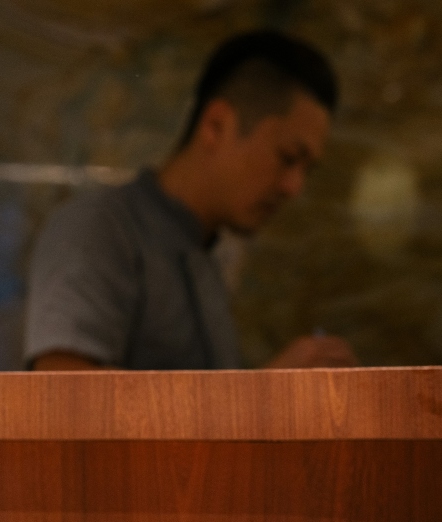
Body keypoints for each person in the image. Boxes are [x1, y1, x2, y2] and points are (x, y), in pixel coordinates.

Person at [24, 30, 358, 371]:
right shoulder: (99, 228)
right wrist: (266, 391)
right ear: (216, 125)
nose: (294, 187)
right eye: (287, 157)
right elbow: (63, 391)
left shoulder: (208, 261)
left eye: (307, 170)